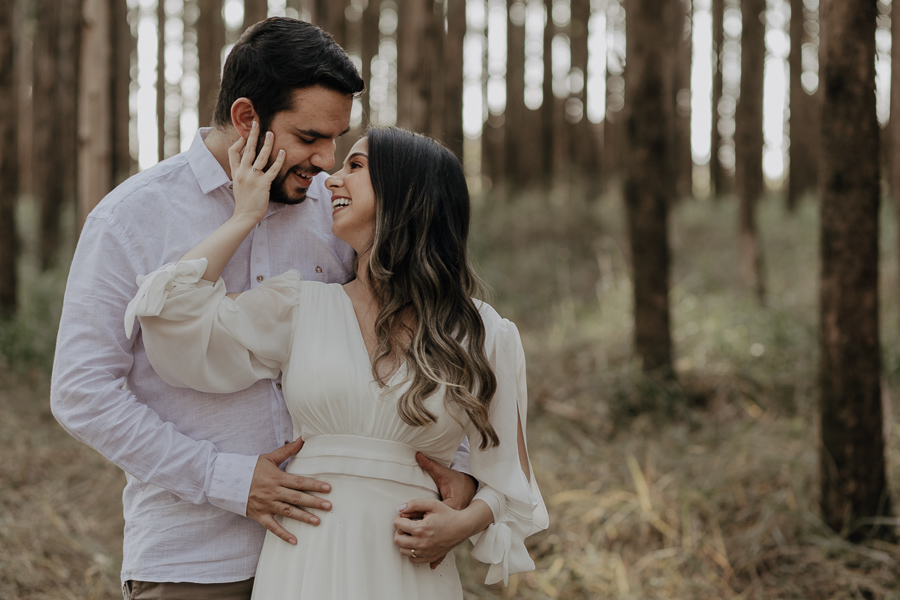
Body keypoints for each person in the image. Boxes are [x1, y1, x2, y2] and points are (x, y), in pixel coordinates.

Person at [50, 18, 476, 600]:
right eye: (308, 138)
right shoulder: (130, 219)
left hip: (341, 555)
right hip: (197, 559)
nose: (327, 160)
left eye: (337, 138)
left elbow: (422, 332)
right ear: (248, 118)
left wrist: (466, 473)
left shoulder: (338, 212)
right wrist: (227, 479)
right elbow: (82, 391)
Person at [125, 123, 548, 599]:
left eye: (357, 166)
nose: (331, 178)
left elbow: (512, 480)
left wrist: (463, 522)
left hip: (408, 568)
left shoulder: (484, 334)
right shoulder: (300, 307)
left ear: (406, 191)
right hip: (306, 562)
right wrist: (245, 215)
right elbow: (173, 313)